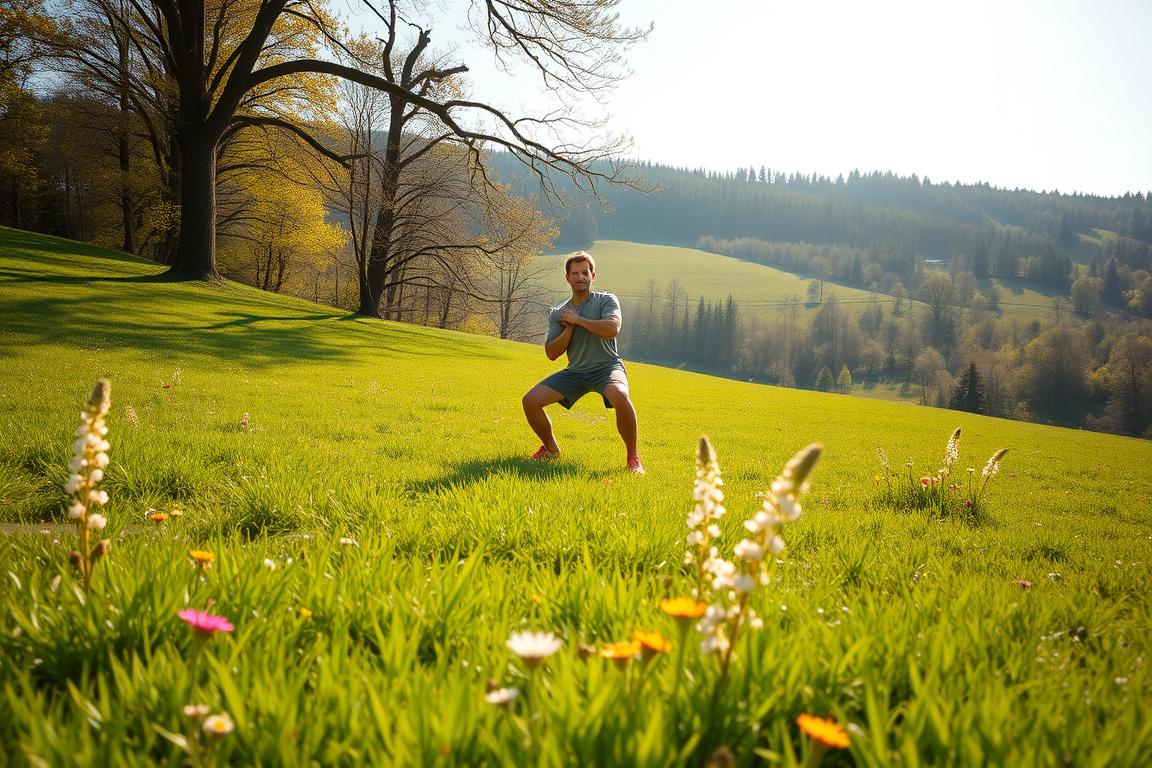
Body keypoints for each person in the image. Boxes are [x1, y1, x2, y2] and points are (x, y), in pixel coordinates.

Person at [522, 251, 644, 474]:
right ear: (567, 278)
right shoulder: (559, 313)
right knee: (530, 401)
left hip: (607, 367)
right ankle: (551, 449)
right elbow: (551, 353)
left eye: (585, 272)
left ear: (593, 275)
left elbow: (612, 328)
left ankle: (633, 459)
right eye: (575, 273)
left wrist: (579, 320)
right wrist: (570, 327)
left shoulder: (606, 300)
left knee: (620, 394)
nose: (580, 277)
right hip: (576, 372)